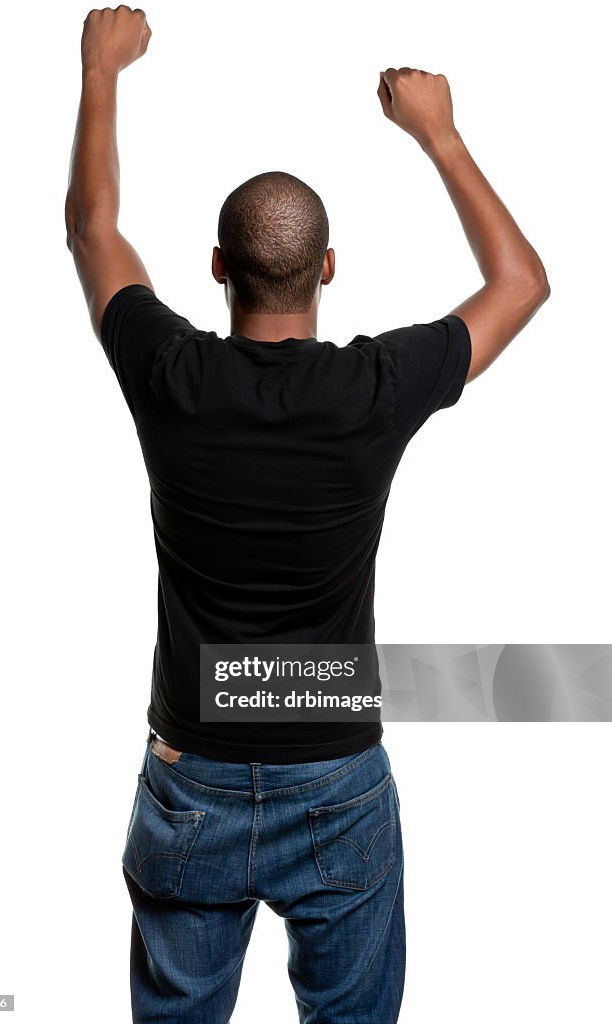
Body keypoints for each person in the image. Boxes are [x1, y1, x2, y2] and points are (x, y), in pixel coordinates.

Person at [65, 8, 550, 1023]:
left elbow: (93, 230)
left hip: (189, 776)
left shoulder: (169, 370)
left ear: (214, 268)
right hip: (333, 776)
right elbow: (519, 284)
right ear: (325, 267)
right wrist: (438, 133)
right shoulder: (371, 387)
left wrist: (100, 69)